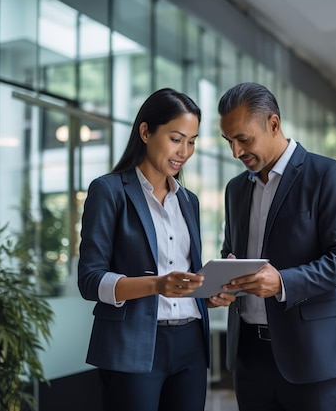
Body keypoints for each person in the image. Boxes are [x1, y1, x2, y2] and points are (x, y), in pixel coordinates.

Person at [77, 88, 235, 411]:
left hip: (191, 344)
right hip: (132, 345)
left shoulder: (188, 201)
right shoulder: (108, 191)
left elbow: (184, 275)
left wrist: (210, 290)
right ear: (146, 132)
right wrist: (157, 285)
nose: (185, 151)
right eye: (176, 139)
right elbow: (90, 280)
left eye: (191, 141)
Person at [217, 82, 336, 411]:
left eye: (243, 138)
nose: (236, 152)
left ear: (273, 123)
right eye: (229, 141)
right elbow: (233, 255)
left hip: (312, 355)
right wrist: (224, 285)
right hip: (248, 356)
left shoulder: (328, 174)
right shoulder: (235, 189)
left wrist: (283, 282)